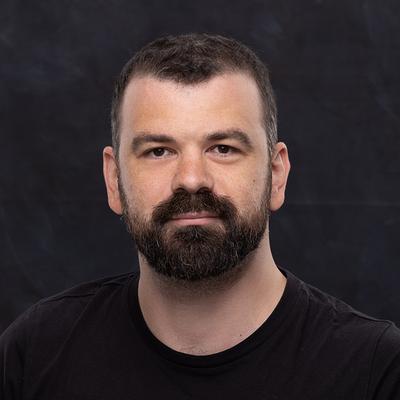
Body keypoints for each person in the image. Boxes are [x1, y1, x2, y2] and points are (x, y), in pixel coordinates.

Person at [1, 33, 399, 400]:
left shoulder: (375, 370)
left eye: (223, 148)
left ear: (276, 174)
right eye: (158, 151)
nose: (191, 179)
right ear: (113, 179)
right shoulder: (36, 354)